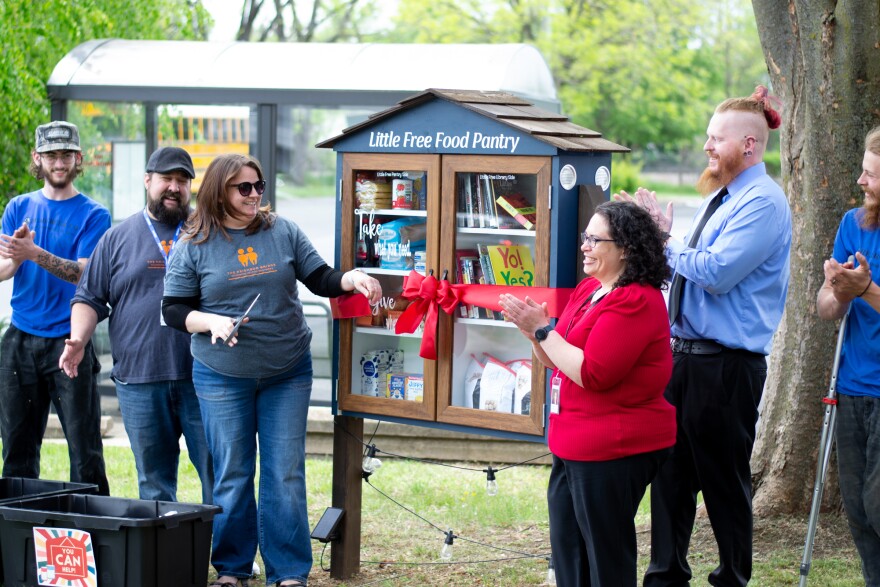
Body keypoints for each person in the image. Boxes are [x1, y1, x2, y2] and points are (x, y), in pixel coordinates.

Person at [161, 153, 382, 587]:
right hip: (222, 374)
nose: (254, 194)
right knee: (233, 473)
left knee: (285, 471)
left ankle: (289, 571)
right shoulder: (194, 242)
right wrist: (212, 322)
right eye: (244, 187)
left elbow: (319, 277)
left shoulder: (281, 230)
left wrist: (349, 278)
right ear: (219, 190)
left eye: (258, 185)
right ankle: (232, 568)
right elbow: (173, 310)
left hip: (287, 370)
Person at [617, 86, 792, 587]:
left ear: (749, 146)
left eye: (717, 139)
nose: (707, 147)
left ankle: (733, 578)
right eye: (708, 137)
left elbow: (716, 272)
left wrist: (662, 239)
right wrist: (664, 245)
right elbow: (688, 276)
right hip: (684, 359)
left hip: (726, 366)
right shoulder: (720, 196)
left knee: (722, 481)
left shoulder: (762, 202)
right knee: (670, 475)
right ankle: (666, 574)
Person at [498, 201, 676, 586]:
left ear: (624, 248)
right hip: (571, 444)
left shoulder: (636, 301)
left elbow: (595, 372)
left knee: (605, 561)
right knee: (569, 556)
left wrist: (545, 330)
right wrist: (533, 332)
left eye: (595, 240)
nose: (585, 246)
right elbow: (556, 358)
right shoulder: (589, 289)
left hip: (613, 448)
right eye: (585, 237)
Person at [58, 146, 213, 504]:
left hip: (204, 377)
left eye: (182, 180)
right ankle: (163, 556)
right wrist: (78, 339)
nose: (174, 187)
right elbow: (88, 296)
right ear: (148, 181)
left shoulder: (209, 234)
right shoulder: (117, 237)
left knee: (217, 470)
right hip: (139, 380)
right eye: (166, 179)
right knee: (154, 480)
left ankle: (230, 559)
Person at [0, 121, 111, 495]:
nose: (58, 162)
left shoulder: (95, 215)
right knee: (16, 452)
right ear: (38, 159)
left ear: (78, 159)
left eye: (65, 155)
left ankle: (96, 539)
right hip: (19, 340)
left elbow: (83, 273)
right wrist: (17, 258)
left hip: (70, 342)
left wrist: (34, 253)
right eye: (51, 155)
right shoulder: (18, 207)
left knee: (85, 454)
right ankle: (17, 538)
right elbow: (6, 267)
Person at [817, 125, 880, 586]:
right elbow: (824, 307)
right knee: (858, 509)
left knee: (879, 504)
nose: (861, 181)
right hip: (853, 385)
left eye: (871, 174)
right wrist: (839, 290)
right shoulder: (852, 225)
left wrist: (868, 289)